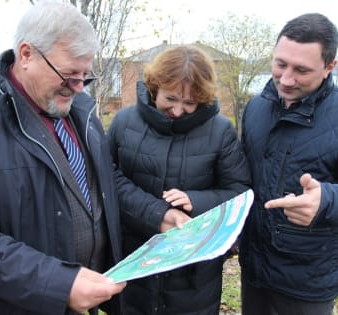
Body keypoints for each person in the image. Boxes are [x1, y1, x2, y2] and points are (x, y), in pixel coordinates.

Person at [0, 2, 126, 315]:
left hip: (77, 302)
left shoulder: (82, 114)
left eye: (85, 76)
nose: (77, 87)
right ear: (27, 54)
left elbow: (104, 188)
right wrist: (60, 284)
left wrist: (158, 217)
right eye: (69, 74)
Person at [107, 45, 251, 314]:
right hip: (136, 262)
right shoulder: (124, 122)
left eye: (189, 103)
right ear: (154, 87)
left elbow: (239, 192)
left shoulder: (220, 131)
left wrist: (194, 202)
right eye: (170, 98)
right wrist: (157, 214)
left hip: (194, 276)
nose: (177, 110)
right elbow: (107, 180)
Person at [239, 13, 338, 315]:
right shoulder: (256, 108)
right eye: (280, 64)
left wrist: (328, 200)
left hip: (307, 282)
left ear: (330, 66)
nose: (286, 79)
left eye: (301, 70)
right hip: (254, 271)